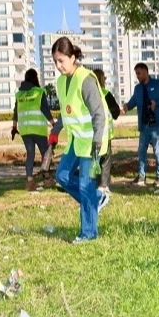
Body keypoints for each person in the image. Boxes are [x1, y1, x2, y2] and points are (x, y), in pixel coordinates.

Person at [48, 37, 109, 243]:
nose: (58, 66)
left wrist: (98, 142)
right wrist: (55, 131)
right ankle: (96, 198)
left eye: (61, 60)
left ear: (73, 57)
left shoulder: (86, 79)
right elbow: (65, 113)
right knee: (62, 176)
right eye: (55, 61)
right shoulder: (60, 82)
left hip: (93, 142)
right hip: (76, 141)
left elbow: (99, 115)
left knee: (85, 184)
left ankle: (89, 233)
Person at [122, 63, 159, 186]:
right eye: (136, 74)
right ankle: (141, 177)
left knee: (157, 150)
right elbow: (134, 100)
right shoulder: (138, 88)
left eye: (139, 73)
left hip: (157, 124)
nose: (137, 76)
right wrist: (127, 106)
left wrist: (157, 103)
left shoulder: (158, 84)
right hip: (144, 125)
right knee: (141, 150)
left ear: (145, 72)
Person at [12, 69, 55, 192]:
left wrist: (14, 127)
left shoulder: (19, 94)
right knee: (45, 154)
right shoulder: (39, 92)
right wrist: (53, 124)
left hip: (25, 130)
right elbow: (45, 109)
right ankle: (47, 179)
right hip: (37, 129)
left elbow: (15, 112)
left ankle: (30, 181)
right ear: (35, 78)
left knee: (30, 155)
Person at [93, 69, 121, 198]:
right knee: (105, 160)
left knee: (93, 159)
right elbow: (116, 113)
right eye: (104, 77)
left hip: (91, 133)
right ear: (102, 79)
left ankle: (93, 183)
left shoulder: (87, 94)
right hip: (104, 133)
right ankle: (103, 185)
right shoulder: (106, 94)